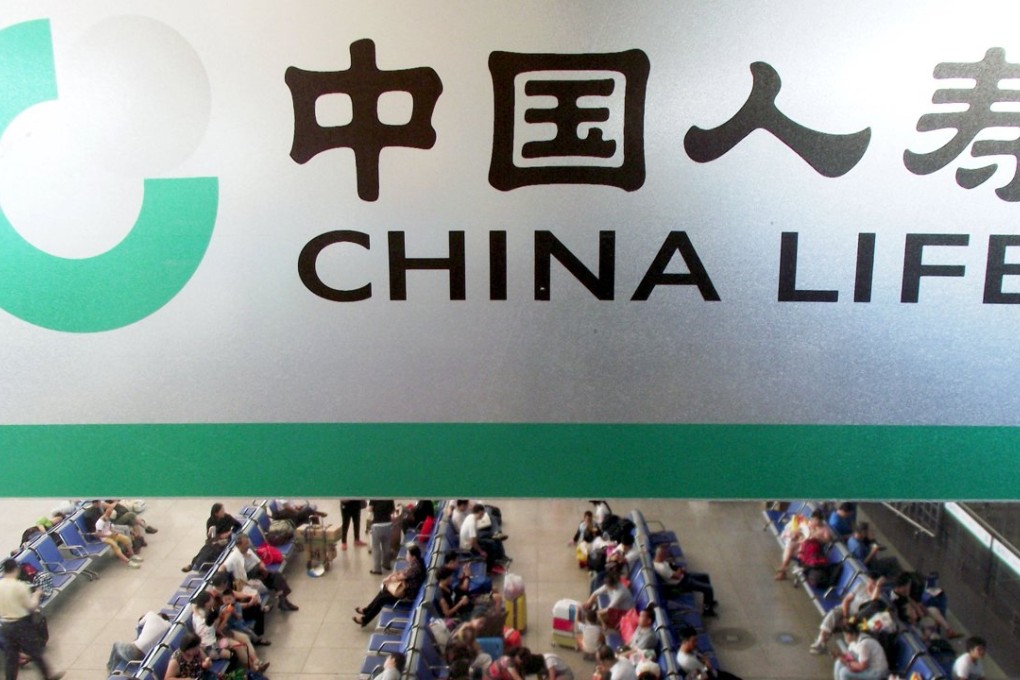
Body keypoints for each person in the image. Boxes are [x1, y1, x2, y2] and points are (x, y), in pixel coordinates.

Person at [0, 558, 63, 680]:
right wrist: (37, 595)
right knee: (35, 653)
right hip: (20, 625)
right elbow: (31, 606)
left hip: (6, 626)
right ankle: (48, 677)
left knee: (11, 659)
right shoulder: (19, 586)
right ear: (15, 570)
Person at [353, 544, 425, 627]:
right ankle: (367, 610)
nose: (406, 556)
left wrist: (389, 578)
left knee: (382, 599)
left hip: (407, 594)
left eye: (408, 554)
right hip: (406, 589)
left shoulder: (415, 568)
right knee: (383, 591)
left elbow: (400, 577)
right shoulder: (416, 563)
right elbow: (403, 573)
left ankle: (364, 620)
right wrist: (394, 575)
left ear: (414, 557)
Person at [652, 544, 717, 616]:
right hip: (682, 584)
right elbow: (677, 576)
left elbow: (673, 568)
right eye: (666, 554)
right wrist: (681, 570)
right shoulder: (661, 568)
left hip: (684, 577)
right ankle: (707, 611)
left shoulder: (660, 561)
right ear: (661, 555)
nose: (667, 555)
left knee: (705, 577)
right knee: (708, 588)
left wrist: (679, 569)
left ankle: (709, 601)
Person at [775, 509, 833, 580]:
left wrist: (817, 537)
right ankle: (783, 570)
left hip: (810, 550)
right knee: (790, 545)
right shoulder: (810, 523)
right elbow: (801, 529)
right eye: (813, 519)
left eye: (816, 520)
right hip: (802, 544)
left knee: (789, 549)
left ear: (820, 520)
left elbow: (827, 541)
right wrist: (797, 533)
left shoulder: (825, 530)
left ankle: (782, 570)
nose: (814, 521)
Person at [106, 610, 171, 671]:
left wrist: (144, 617)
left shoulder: (151, 614)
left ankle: (110, 668)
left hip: (136, 652)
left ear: (159, 615)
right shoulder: (169, 626)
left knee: (116, 645)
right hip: (146, 657)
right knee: (121, 651)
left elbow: (139, 624)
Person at [95, 504, 143, 568]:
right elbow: (98, 534)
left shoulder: (107, 519)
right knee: (115, 546)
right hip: (105, 538)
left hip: (111, 534)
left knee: (126, 539)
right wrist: (108, 534)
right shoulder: (99, 523)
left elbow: (110, 527)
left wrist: (114, 532)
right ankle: (128, 562)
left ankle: (132, 555)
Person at [368, 499, 397, 574]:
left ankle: (377, 569)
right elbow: (393, 511)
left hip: (376, 525)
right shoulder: (389, 497)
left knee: (376, 547)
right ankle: (386, 564)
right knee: (387, 546)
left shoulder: (375, 496)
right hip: (388, 524)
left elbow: (370, 509)